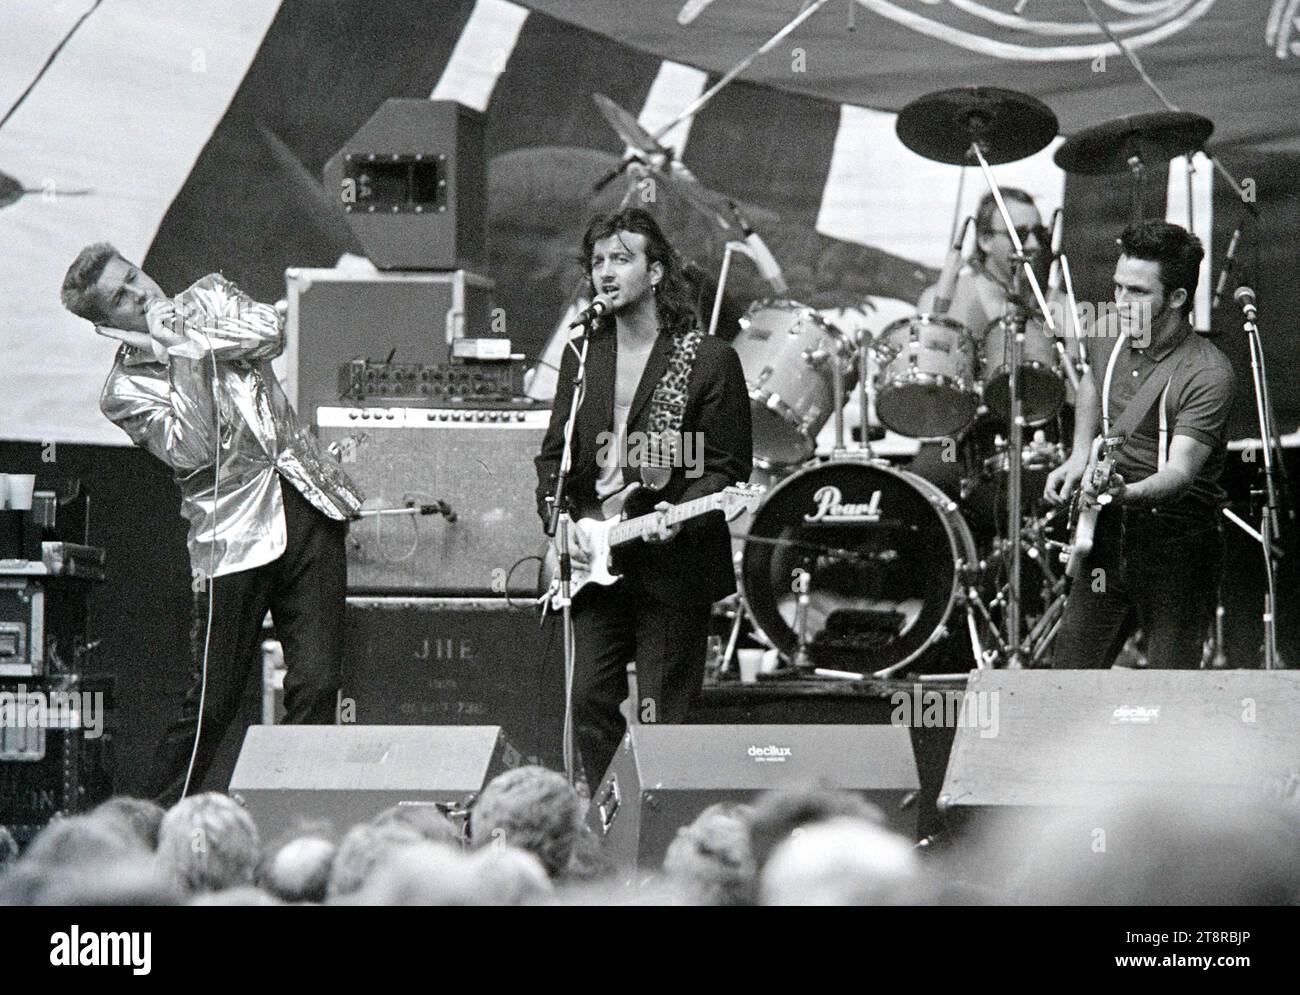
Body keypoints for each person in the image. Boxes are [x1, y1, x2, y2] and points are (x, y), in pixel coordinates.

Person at [60, 244, 363, 803]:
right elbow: (194, 450)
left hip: (306, 503)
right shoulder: (123, 392)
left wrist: (193, 336)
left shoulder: (211, 293)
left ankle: (295, 814)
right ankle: (149, 823)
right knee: (214, 703)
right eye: (120, 299)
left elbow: (270, 331)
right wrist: (181, 357)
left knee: (318, 683)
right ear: (107, 324)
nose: (139, 294)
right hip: (233, 538)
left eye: (134, 277)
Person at [534, 208, 752, 790]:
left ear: (655, 273)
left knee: (663, 720)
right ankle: (608, 823)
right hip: (593, 559)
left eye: (621, 260)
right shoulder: (583, 355)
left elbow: (728, 471)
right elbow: (553, 456)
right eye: (598, 261)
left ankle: (656, 835)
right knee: (587, 704)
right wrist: (557, 520)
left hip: (670, 568)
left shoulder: (705, 360)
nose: (606, 272)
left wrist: (673, 516)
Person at [1044, 220, 1233, 669]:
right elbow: (1091, 379)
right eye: (1118, 287)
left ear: (1178, 298)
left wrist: (1125, 492)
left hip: (1176, 542)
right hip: (1107, 537)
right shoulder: (1107, 331)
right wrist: (1078, 451)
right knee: (1068, 680)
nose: (1120, 302)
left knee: (1170, 691)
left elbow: (1179, 474)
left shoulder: (1208, 372)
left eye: (1137, 292)